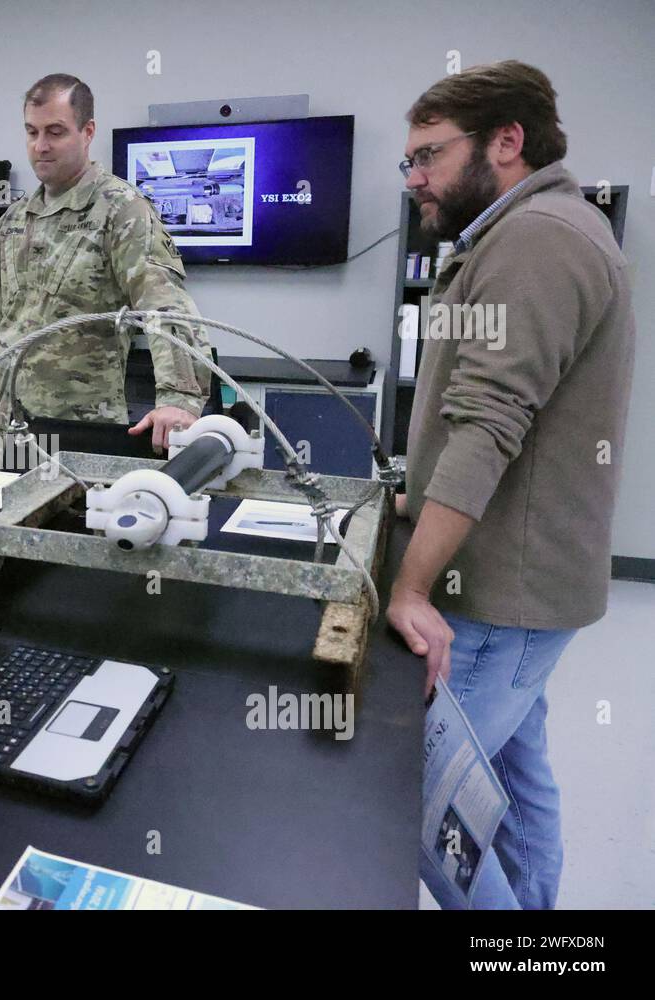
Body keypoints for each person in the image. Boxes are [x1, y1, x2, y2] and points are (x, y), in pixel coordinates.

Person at [391, 61, 634, 909]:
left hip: (500, 594)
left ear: (506, 141)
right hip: (520, 587)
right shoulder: (523, 232)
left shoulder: (539, 241)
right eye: (409, 161)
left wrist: (413, 586)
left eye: (429, 155)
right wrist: (413, 493)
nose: (415, 177)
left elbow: (489, 424)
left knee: (418, 802)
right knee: (513, 777)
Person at [0, 73, 211, 463]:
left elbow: (165, 305)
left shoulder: (120, 209)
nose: (40, 146)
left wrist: (179, 399)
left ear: (87, 131)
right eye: (32, 132)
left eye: (55, 132)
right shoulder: (14, 218)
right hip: (3, 433)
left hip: (77, 434)